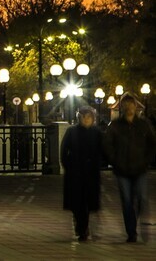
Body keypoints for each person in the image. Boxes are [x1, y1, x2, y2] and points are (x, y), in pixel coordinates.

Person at [103, 92, 156, 243]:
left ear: (135, 107)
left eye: (131, 105)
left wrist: (146, 160)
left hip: (140, 168)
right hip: (122, 169)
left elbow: (152, 144)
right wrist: (115, 160)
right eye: (126, 105)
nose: (129, 108)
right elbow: (107, 144)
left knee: (141, 198)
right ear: (123, 108)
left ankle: (138, 223)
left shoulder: (143, 125)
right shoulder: (116, 126)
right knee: (127, 201)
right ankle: (131, 232)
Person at [60, 106, 102, 241]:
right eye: (83, 116)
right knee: (77, 201)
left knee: (88, 201)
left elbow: (103, 149)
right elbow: (64, 150)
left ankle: (83, 227)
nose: (86, 119)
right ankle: (81, 226)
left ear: (93, 118)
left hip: (91, 172)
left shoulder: (97, 132)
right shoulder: (72, 131)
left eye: (88, 116)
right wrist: (68, 165)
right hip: (75, 172)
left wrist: (99, 163)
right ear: (79, 118)